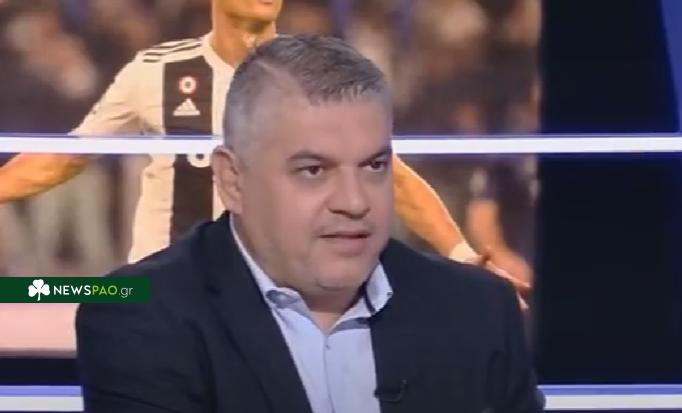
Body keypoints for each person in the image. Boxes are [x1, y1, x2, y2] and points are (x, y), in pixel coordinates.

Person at [76, 34, 542, 413]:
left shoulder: (480, 311)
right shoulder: (139, 318)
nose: (355, 202)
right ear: (233, 181)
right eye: (314, 170)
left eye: (374, 166)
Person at [0, 0, 528, 291]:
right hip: (168, 293)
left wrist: (463, 255)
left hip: (278, 298)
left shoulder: (317, 75)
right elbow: (63, 157)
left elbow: (390, 174)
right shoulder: (157, 72)